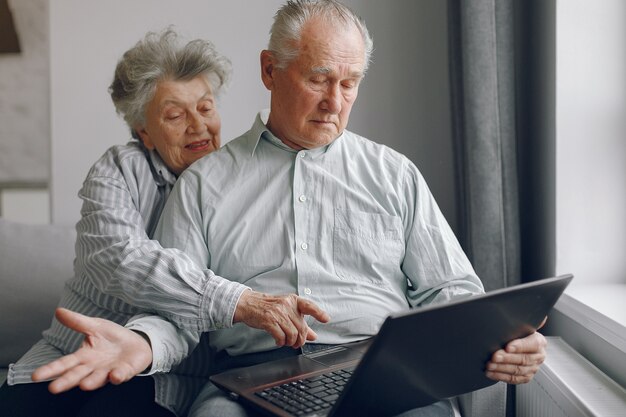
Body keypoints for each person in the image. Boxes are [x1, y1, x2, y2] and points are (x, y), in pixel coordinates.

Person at [28, 1, 548, 416]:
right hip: (247, 383)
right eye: (319, 78)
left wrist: (501, 339)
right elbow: (177, 316)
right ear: (270, 70)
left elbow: (451, 291)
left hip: (384, 372)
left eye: (349, 83)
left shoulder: (394, 174)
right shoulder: (204, 184)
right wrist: (142, 343)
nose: (335, 101)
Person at [0, 29, 248, 417]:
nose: (198, 126)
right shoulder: (118, 168)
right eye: (175, 115)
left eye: (205, 107)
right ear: (144, 132)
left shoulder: (241, 186)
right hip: (71, 352)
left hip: (164, 375)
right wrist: (234, 301)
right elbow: (120, 259)